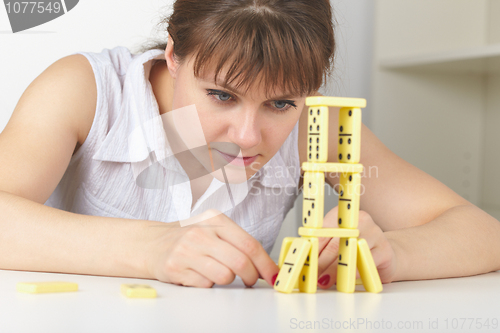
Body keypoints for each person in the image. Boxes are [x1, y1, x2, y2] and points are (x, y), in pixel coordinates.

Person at [0, 0, 499, 290]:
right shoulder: (87, 90)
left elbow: (480, 232)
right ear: (173, 53)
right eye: (221, 95)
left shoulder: (314, 124)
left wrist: (389, 253)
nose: (247, 137)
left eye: (280, 104)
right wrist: (151, 247)